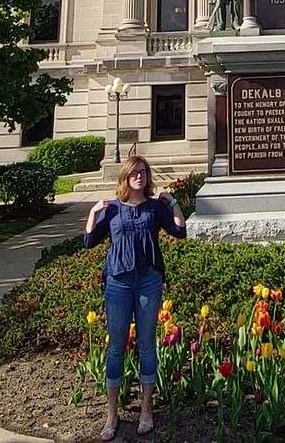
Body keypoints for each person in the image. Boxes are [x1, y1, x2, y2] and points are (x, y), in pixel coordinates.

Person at [83, 155, 187, 439]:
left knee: (146, 345)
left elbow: (180, 231)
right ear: (125, 178)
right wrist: (93, 214)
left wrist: (173, 202)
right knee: (116, 346)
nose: (139, 177)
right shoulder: (112, 209)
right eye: (134, 173)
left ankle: (146, 410)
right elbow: (89, 241)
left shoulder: (155, 208)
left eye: (143, 172)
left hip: (148, 281)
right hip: (118, 281)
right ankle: (112, 414)